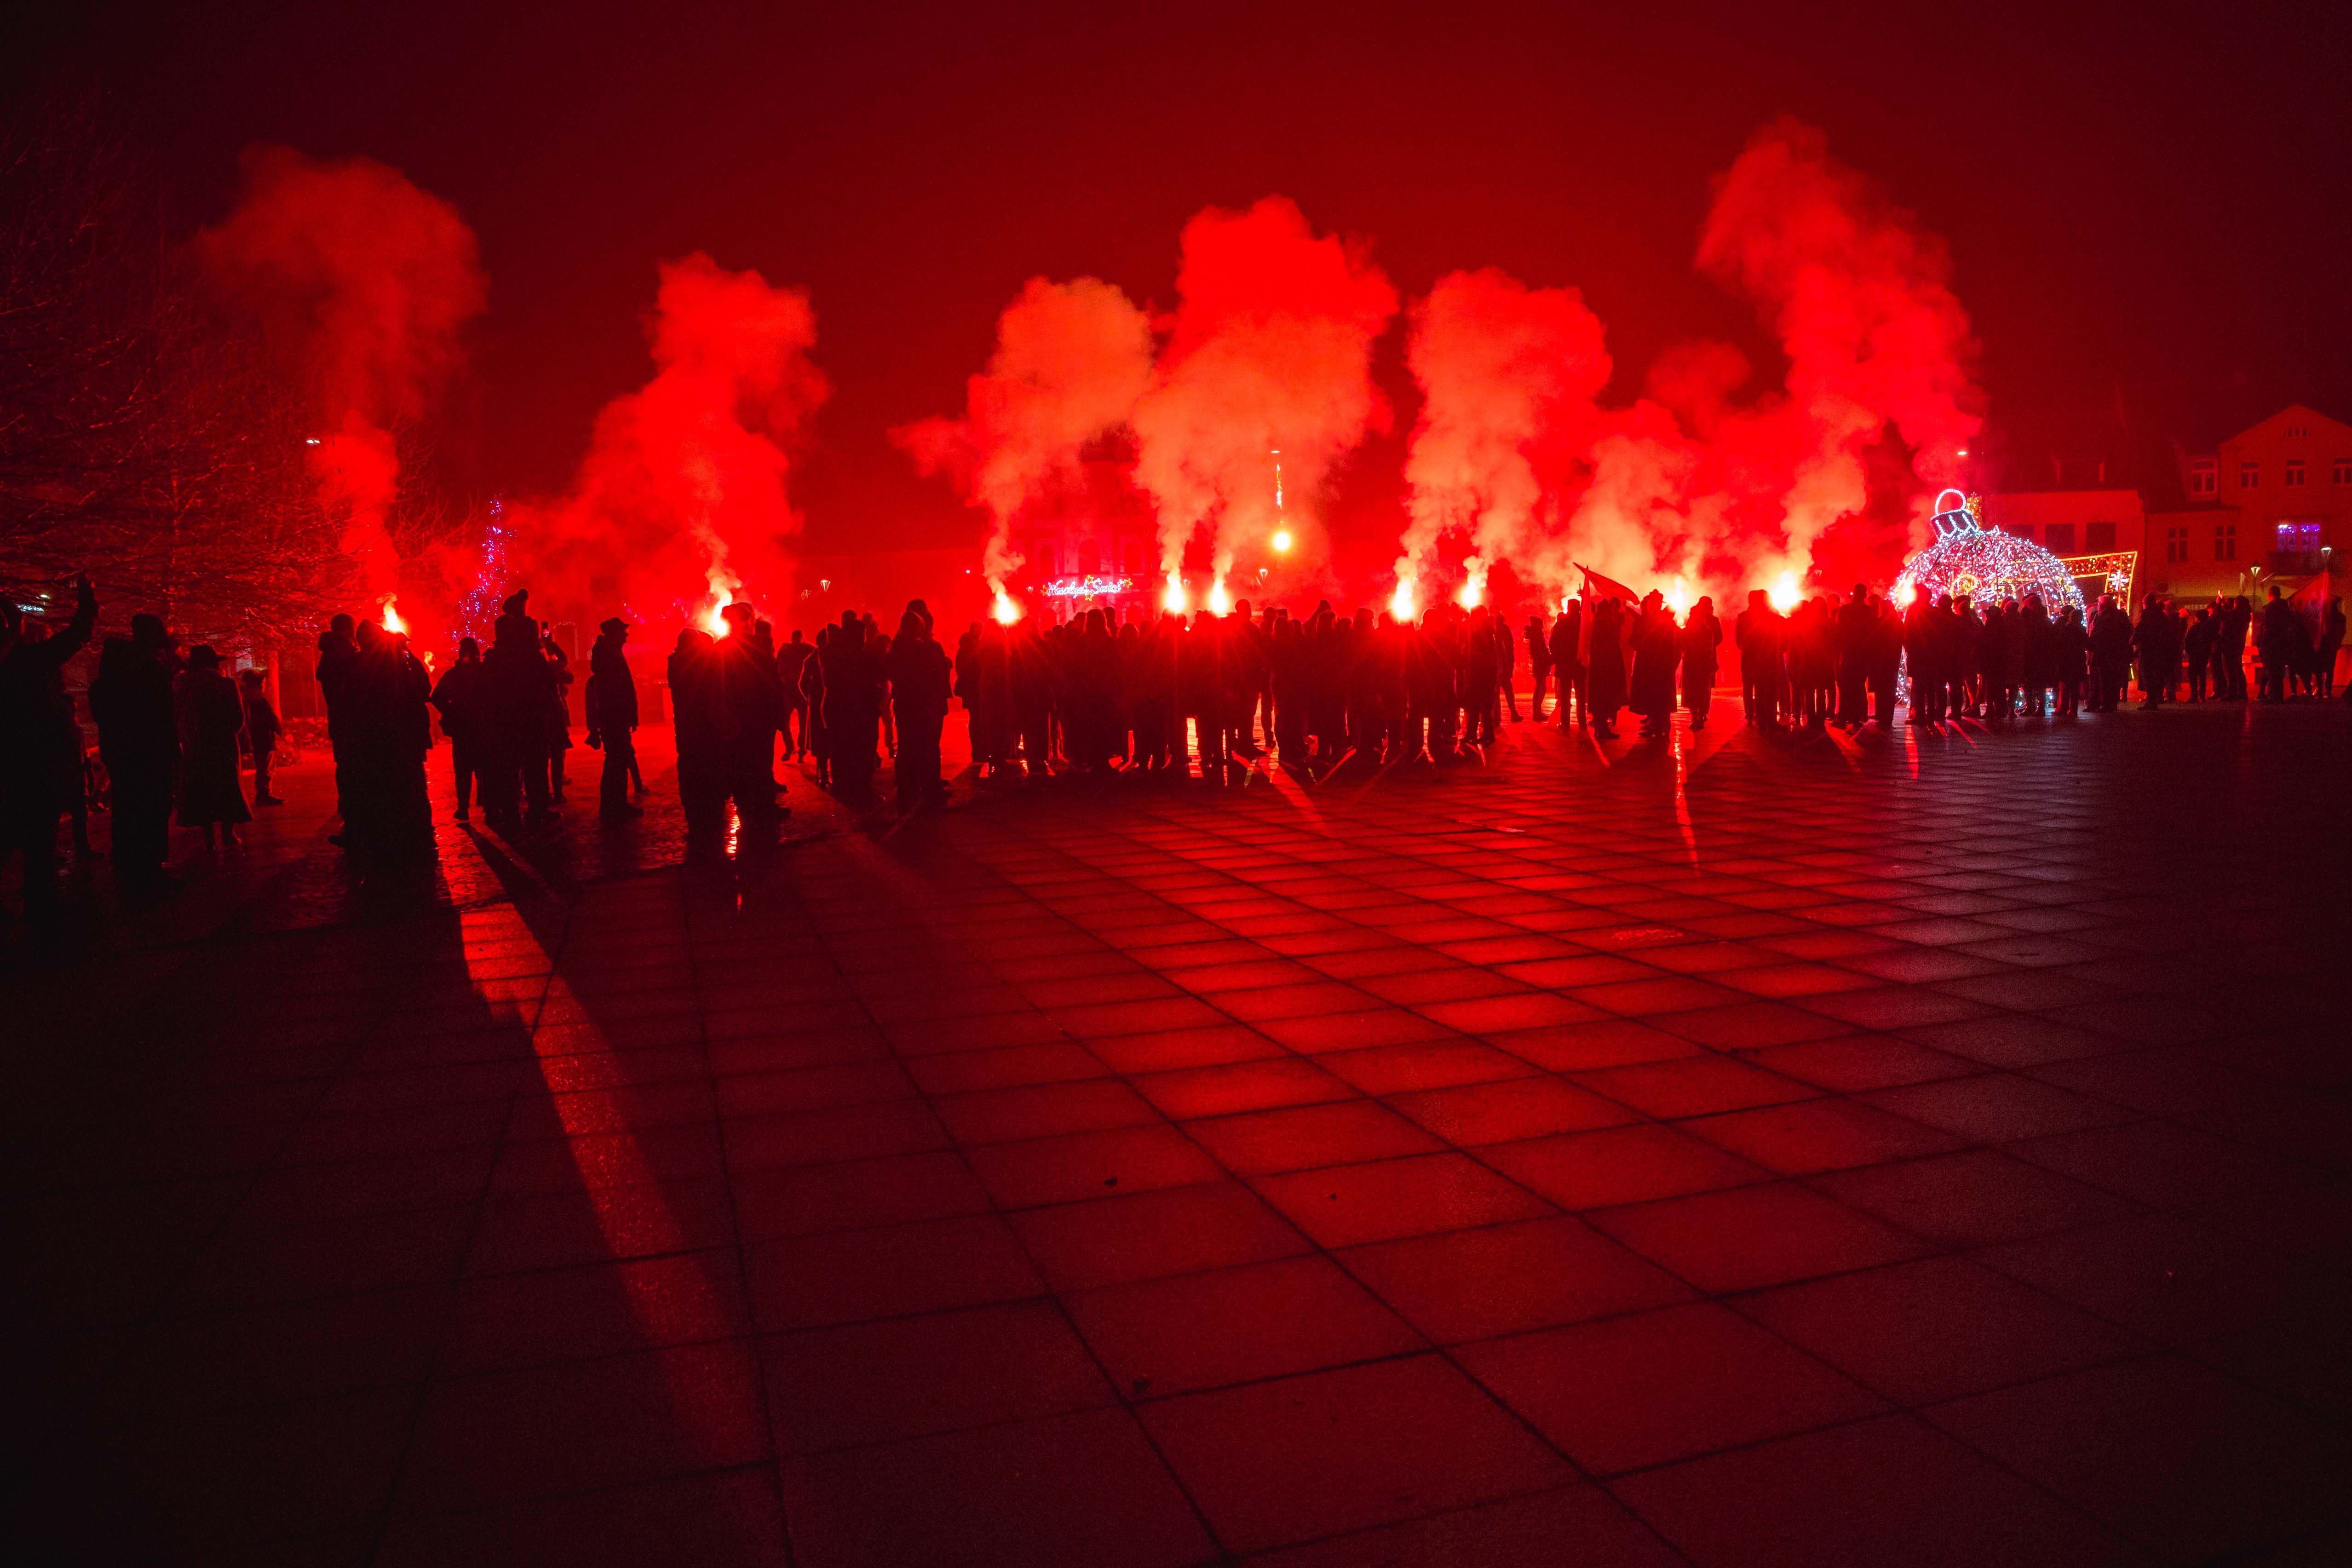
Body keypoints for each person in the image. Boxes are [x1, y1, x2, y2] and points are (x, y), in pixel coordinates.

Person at [1, 574, 98, 930]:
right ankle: (41, 904)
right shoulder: (30, 660)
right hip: (37, 760)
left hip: (12, 762)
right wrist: (87, 599)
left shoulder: (16, 661)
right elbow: (77, 635)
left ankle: (37, 900)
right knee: (37, 832)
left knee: (14, 830)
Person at [89, 612, 180, 889]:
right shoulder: (145, 669)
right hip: (149, 752)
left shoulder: (109, 680)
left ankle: (130, 864)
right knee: (151, 809)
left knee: (128, 808)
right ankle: (149, 871)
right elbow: (161, 710)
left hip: (124, 752)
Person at [173, 645, 251, 849]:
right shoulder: (225, 685)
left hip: (195, 744)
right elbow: (238, 717)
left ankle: (209, 837)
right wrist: (229, 733)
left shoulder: (183, 685)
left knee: (201, 789)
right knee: (228, 786)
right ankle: (228, 834)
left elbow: (176, 715)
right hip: (222, 743)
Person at [885, 604, 953, 810]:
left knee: (907, 747)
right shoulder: (924, 650)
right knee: (928, 746)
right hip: (923, 705)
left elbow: (889, 671)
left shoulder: (896, 648)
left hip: (905, 705)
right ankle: (930, 788)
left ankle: (908, 789)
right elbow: (934, 676)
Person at [584, 617, 642, 818]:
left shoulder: (608, 653)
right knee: (617, 760)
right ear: (614, 633)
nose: (626, 635)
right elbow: (620, 690)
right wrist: (628, 715)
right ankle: (614, 806)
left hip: (615, 716)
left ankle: (615, 804)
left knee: (617, 760)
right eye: (623, 631)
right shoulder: (610, 655)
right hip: (615, 717)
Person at [431, 638, 490, 822]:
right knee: (483, 769)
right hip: (480, 728)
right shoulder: (483, 673)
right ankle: (487, 806)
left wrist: (451, 712)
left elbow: (437, 697)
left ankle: (464, 808)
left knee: (464, 771)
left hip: (464, 729)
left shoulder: (455, 675)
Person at [1629, 591, 1679, 738]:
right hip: (1661, 665)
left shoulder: (1652, 621)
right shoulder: (1665, 621)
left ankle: (1658, 725)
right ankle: (1659, 724)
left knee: (1657, 696)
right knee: (1659, 697)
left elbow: (1638, 641)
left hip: (1653, 665)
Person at [1736, 590, 1781, 728]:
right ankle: (1770, 720)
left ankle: (1755, 717)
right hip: (1768, 658)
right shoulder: (1770, 617)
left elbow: (1738, 640)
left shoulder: (1743, 617)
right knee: (1769, 689)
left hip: (1749, 658)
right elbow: (1778, 639)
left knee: (1753, 689)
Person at [239, 668, 284, 804]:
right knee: (266, 767)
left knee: (264, 767)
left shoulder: (245, 701)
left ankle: (264, 793)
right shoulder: (258, 702)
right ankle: (264, 794)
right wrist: (278, 728)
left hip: (259, 739)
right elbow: (270, 719)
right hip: (264, 739)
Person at [1679, 596, 1722, 729]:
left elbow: (1681, 643)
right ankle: (1702, 712)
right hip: (1705, 662)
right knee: (1704, 689)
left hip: (1692, 663)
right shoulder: (1710, 627)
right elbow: (1719, 638)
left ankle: (1695, 717)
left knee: (1692, 691)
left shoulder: (1689, 629)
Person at [1525, 613, 1551, 719]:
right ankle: (1536, 713)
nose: (1543, 627)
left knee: (1542, 687)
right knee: (1540, 687)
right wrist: (1547, 659)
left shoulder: (1532, 635)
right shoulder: (1537, 636)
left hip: (1536, 664)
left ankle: (1538, 711)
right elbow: (1540, 652)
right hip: (1540, 664)